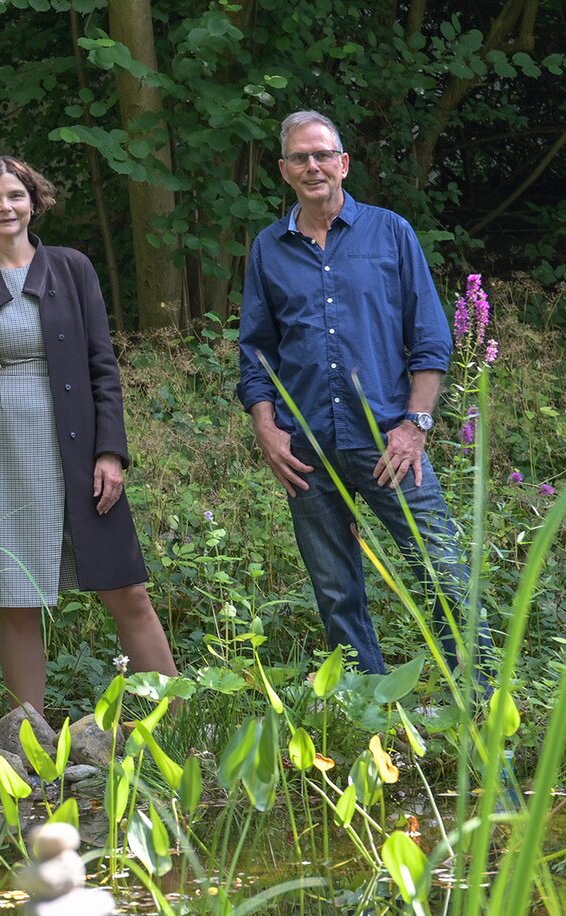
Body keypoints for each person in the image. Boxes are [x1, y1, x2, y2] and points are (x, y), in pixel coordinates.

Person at [0, 156, 176, 715]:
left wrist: (111, 452)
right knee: (16, 599)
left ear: (34, 201)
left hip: (76, 449)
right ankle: (28, 738)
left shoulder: (73, 268)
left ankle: (176, 720)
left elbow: (102, 365)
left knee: (126, 588)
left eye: (15, 195)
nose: (5, 207)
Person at [237, 109, 487, 680]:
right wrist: (266, 427)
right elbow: (256, 351)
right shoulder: (268, 249)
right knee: (335, 590)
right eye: (300, 157)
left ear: (343, 163)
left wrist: (414, 426)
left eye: (323, 154)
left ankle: (478, 697)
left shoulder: (390, 233)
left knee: (442, 571)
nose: (313, 165)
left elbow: (430, 339)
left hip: (388, 440)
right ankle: (368, 708)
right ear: (283, 170)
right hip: (306, 450)